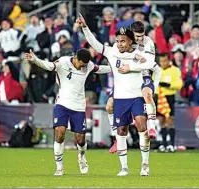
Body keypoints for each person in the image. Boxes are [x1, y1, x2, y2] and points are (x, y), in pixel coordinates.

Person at [77, 13, 156, 176]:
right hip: (120, 98)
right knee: (121, 132)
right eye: (118, 40)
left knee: (142, 127)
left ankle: (145, 164)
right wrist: (84, 27)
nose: (119, 44)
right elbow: (94, 44)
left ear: (130, 41)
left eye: (123, 41)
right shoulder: (112, 52)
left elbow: (151, 64)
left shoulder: (139, 54)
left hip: (136, 96)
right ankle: (124, 167)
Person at [24, 48, 111, 175]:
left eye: (86, 65)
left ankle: (81, 156)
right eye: (82, 64)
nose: (84, 67)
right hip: (63, 104)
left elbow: (100, 69)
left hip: (79, 107)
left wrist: (114, 67)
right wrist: (35, 60)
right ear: (76, 58)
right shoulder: (63, 62)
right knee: (59, 133)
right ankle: (59, 167)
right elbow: (49, 66)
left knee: (80, 139)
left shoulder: (88, 65)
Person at [107, 21, 161, 154]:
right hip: (125, 79)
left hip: (143, 76)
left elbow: (150, 65)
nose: (140, 39)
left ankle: (152, 127)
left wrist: (156, 86)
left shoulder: (148, 43)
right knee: (109, 106)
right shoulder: (123, 43)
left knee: (147, 95)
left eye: (142, 35)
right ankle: (116, 137)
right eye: (137, 36)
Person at [156, 53, 183, 152]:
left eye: (164, 61)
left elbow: (179, 84)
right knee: (161, 120)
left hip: (169, 96)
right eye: (161, 61)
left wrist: (169, 85)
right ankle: (163, 144)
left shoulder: (175, 70)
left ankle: (171, 144)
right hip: (159, 97)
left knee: (170, 120)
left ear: (168, 61)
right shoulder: (157, 70)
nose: (162, 63)